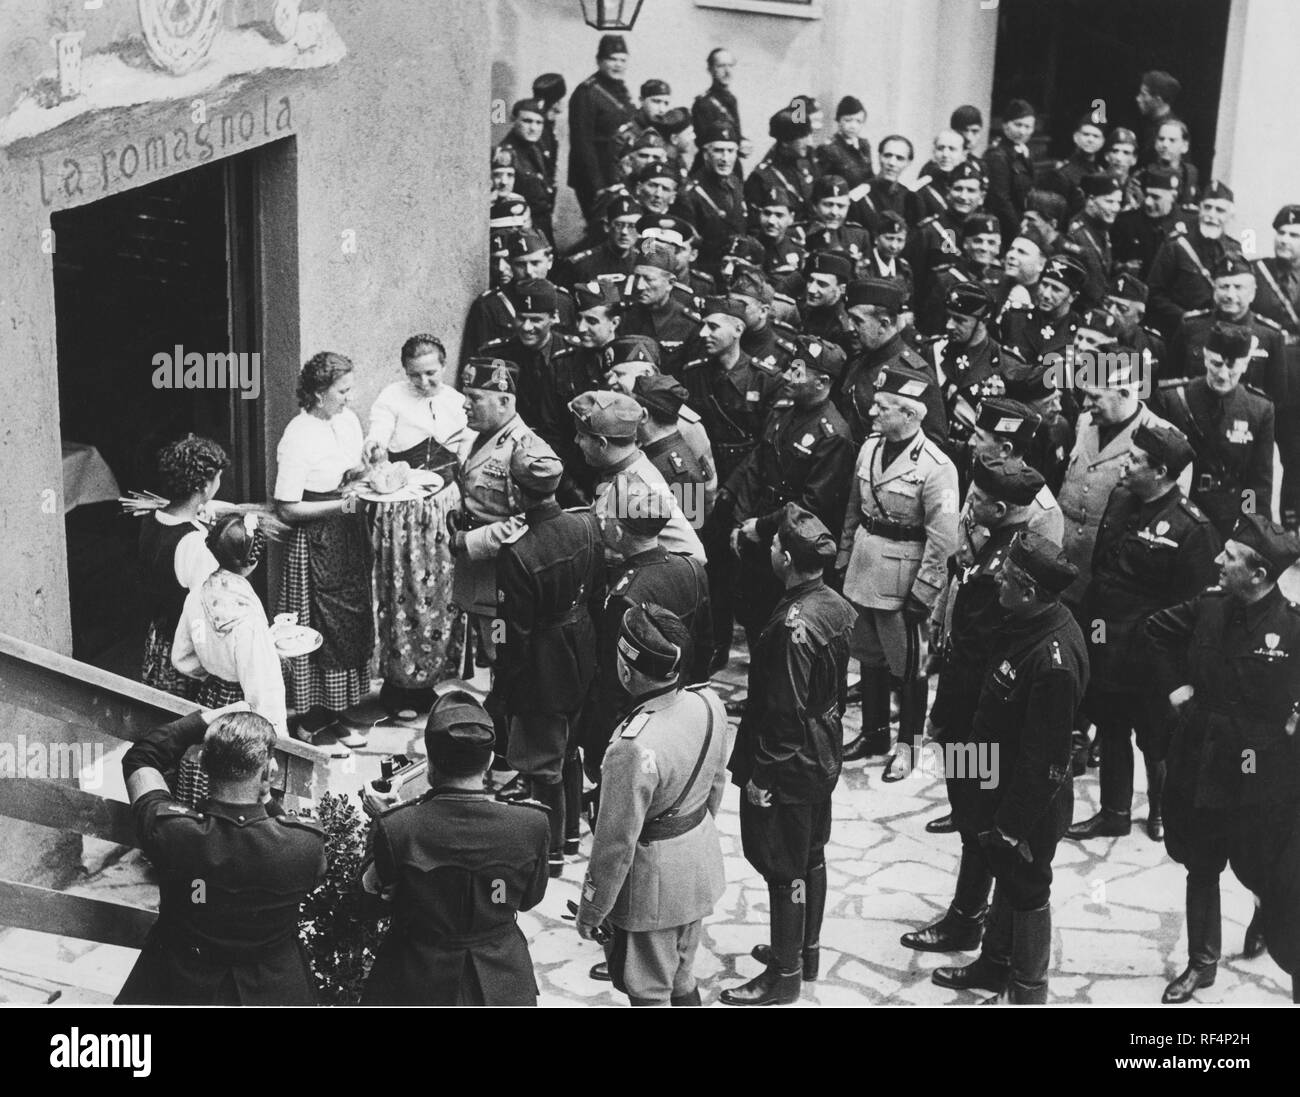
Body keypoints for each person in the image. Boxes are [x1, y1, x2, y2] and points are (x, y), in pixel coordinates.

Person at [1145, 517, 1300, 1003]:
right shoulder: (1208, 607)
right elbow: (1155, 630)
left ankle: (1264, 916)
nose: (1218, 560)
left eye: (1230, 557)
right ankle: (1201, 963)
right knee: (1201, 861)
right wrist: (1176, 689)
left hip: (1259, 769)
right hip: (1203, 756)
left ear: (1258, 574)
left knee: (1260, 864)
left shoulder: (1291, 626)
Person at [940, 532, 1087, 1004]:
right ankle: (992, 964)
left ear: (1027, 591)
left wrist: (1010, 825)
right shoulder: (1027, 621)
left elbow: (1044, 761)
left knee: (1027, 888)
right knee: (1004, 875)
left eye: (1004, 579)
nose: (995, 583)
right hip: (992, 781)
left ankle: (1028, 989)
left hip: (1026, 803)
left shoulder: (1052, 658)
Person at [906, 455, 1043, 961]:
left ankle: (967, 921)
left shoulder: (1001, 564)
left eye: (977, 499)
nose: (967, 504)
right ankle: (971, 916)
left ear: (1001, 507)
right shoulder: (994, 548)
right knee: (970, 816)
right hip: (972, 717)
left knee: (973, 817)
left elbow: (973, 663)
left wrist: (941, 723)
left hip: (975, 723)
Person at [720, 505, 856, 1006]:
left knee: (784, 870)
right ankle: (804, 948)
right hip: (822, 752)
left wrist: (763, 778)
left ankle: (784, 974)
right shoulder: (832, 604)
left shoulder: (790, 626)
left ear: (783, 557)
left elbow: (783, 711)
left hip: (790, 762)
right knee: (810, 855)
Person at [1066, 424, 1220, 843]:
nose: (1125, 466)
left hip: (1152, 655)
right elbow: (1101, 568)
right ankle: (1113, 812)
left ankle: (1160, 811)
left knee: (1157, 740)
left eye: (1134, 460)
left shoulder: (1193, 530)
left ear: (1162, 472)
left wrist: (1177, 669)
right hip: (1109, 645)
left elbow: (1194, 611)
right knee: (1111, 729)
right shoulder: (1119, 500)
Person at [576, 605, 733, 1006]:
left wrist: (592, 911)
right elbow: (715, 782)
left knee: (649, 991)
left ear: (626, 670)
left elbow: (615, 844)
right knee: (682, 977)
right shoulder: (709, 703)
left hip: (652, 888)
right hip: (696, 867)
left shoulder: (630, 747)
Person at [116, 704, 325, 1004]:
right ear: (269, 771)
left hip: (179, 985)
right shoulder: (304, 843)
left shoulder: (172, 832)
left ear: (202, 762)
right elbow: (313, 871)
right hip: (273, 990)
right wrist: (266, 797)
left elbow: (141, 758)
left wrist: (201, 721)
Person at [360, 689, 550, 1005]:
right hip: (502, 979)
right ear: (489, 760)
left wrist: (381, 822)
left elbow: (372, 901)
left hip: (417, 979)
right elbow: (529, 898)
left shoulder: (398, 827)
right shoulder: (530, 824)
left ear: (430, 760)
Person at [837, 367, 959, 777]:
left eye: (883, 407)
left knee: (910, 668)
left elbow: (942, 541)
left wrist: (924, 593)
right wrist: (843, 557)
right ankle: (874, 733)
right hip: (864, 568)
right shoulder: (870, 447)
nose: (872, 411)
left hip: (902, 581)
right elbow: (854, 509)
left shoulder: (937, 466)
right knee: (869, 658)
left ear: (909, 415)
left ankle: (908, 747)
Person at [491, 437, 604, 875]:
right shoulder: (586, 525)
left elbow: (508, 631)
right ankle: (571, 837)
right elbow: (595, 589)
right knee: (568, 745)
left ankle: (551, 852)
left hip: (543, 665)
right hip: (582, 646)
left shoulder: (517, 551)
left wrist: (503, 686)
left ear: (516, 491)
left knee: (543, 764)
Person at [364, 335, 472, 717]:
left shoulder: (457, 401)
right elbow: (378, 433)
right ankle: (398, 686)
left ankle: (428, 681)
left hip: (444, 508)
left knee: (442, 596)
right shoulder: (391, 397)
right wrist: (375, 447)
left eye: (431, 373)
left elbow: (467, 449)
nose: (424, 382)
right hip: (404, 512)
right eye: (415, 375)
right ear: (404, 372)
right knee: (403, 593)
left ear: (443, 366)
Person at [728, 335, 855, 656]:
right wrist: (741, 521)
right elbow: (756, 465)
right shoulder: (783, 410)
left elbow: (814, 503)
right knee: (755, 620)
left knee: (784, 631)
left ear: (822, 382)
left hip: (792, 545)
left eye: (798, 371)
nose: (786, 376)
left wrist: (761, 527)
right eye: (790, 367)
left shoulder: (834, 434)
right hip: (758, 531)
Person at [273, 352, 372, 750]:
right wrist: (341, 505)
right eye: (342, 390)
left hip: (349, 533)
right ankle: (310, 719)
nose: (350, 397)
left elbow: (352, 471)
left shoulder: (346, 421)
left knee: (349, 617)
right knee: (318, 626)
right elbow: (287, 507)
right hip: (314, 541)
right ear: (318, 392)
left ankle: (337, 709)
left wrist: (367, 473)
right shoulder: (297, 435)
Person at [1154, 322, 1275, 538]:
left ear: (1246, 364)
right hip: (1180, 511)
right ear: (1205, 356)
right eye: (1216, 363)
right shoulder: (1174, 399)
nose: (1223, 374)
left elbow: (1257, 483)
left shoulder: (1259, 409)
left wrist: (1249, 525)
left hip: (1228, 519)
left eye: (1232, 366)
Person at [172, 513, 287, 737]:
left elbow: (181, 658)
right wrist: (279, 737)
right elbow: (264, 691)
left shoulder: (197, 595)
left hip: (212, 699)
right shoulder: (248, 621)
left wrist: (214, 671)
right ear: (253, 560)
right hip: (244, 713)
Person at [570, 388, 707, 565]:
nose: (576, 441)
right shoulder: (629, 469)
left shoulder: (639, 485)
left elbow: (696, 556)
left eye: (581, 436)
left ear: (602, 444)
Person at [138, 434, 226, 698]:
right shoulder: (195, 544)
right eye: (217, 477)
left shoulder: (152, 519)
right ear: (204, 487)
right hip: (186, 656)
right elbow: (210, 613)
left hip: (158, 647)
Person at [839, 278, 948, 447]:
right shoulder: (860, 359)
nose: (849, 327)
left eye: (857, 321)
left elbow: (934, 442)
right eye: (849, 318)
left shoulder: (914, 372)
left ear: (883, 324)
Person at [1168, 255, 1288, 406]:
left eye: (1238, 287)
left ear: (1252, 292)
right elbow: (1170, 382)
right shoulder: (1191, 327)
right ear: (1214, 290)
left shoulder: (1270, 335)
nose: (1230, 295)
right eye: (1224, 287)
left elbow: (1276, 398)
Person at [1146, 182, 1242, 338]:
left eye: (1220, 210)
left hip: (1219, 334)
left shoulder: (1234, 250)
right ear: (1199, 210)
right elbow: (1154, 293)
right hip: (1179, 331)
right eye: (1207, 207)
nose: (1212, 215)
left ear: (1230, 216)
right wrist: (1184, 317)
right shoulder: (1177, 245)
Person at [568, 34, 635, 219]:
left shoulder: (621, 89)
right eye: (612, 59)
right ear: (599, 61)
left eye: (622, 60)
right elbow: (582, 143)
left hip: (617, 173)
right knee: (602, 228)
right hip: (595, 176)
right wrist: (597, 185)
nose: (618, 65)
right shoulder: (586, 93)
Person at [632, 373, 716, 517]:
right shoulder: (662, 452)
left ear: (644, 416)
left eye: (632, 409)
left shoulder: (675, 472)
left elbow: (690, 528)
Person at [679, 122, 748, 279]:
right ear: (705, 154)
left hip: (736, 273)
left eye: (730, 151)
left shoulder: (735, 184)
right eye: (718, 151)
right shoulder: (690, 194)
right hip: (707, 276)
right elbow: (689, 249)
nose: (725, 158)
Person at [1112, 166, 1186, 281]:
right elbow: (1109, 263)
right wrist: (1123, 268)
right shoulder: (1126, 222)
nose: (1148, 202)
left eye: (1156, 197)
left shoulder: (1187, 223)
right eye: (1147, 195)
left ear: (1173, 196)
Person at [499, 98, 557, 241]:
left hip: (542, 226)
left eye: (539, 123)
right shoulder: (506, 155)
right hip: (522, 230)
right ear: (514, 120)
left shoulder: (536, 148)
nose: (533, 128)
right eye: (527, 121)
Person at [1066, 173, 1122, 309]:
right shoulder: (1075, 233)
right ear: (1091, 200)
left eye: (1118, 202)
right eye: (1109, 202)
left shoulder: (1102, 226)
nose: (1115, 208)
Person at [983, 99, 1036, 240]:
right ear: (1005, 125)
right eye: (1017, 125)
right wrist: (1018, 232)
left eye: (1028, 126)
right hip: (1005, 228)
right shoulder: (997, 155)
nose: (1022, 131)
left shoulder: (1022, 153)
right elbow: (1001, 201)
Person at [815, 96, 873, 190]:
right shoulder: (827, 148)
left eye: (858, 121)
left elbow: (870, 177)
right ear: (838, 120)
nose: (853, 126)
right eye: (848, 120)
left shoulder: (864, 145)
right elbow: (822, 184)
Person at [1135, 70, 1181, 165]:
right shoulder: (1149, 122)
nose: (1138, 99)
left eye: (1144, 95)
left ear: (1157, 100)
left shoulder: (1173, 130)